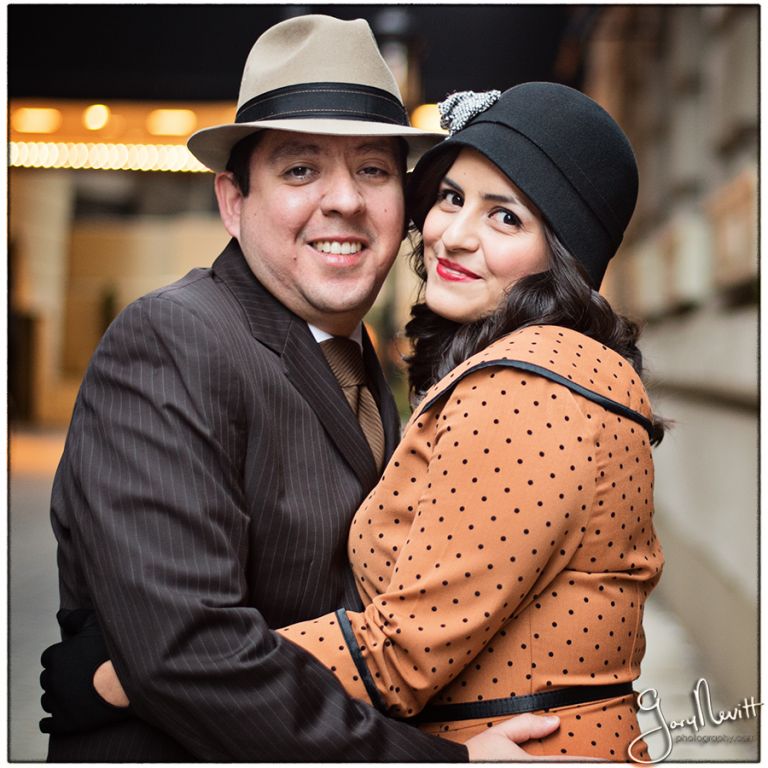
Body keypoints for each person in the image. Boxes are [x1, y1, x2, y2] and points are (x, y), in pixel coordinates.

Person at [39, 15, 562, 763]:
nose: (344, 200)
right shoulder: (170, 341)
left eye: (374, 170)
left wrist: (104, 679)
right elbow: (190, 654)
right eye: (299, 169)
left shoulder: (362, 357)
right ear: (233, 200)